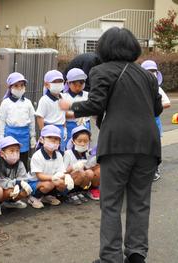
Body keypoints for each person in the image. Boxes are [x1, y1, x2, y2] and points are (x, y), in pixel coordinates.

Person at [59, 27, 163, 263]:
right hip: (148, 145)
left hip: (117, 145)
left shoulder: (100, 70)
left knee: (111, 203)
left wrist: (70, 108)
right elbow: (156, 109)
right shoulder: (147, 75)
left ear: (105, 47)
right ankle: (136, 255)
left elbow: (96, 103)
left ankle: (111, 258)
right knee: (140, 202)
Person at [27, 125, 74, 209]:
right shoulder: (37, 156)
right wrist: (54, 178)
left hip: (51, 180)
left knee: (62, 183)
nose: (53, 140)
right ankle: (33, 197)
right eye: (49, 137)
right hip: (35, 182)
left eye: (56, 139)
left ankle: (47, 196)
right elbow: (39, 176)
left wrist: (67, 177)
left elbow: (61, 171)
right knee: (49, 185)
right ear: (42, 139)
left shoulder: (59, 155)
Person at [0, 72, 36, 170]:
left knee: (23, 158)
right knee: (9, 158)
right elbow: (2, 121)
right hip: (10, 134)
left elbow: (32, 121)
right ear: (10, 87)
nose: (19, 88)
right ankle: (8, 178)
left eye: (22, 85)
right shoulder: (5, 103)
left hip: (24, 135)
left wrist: (33, 136)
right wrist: (1, 136)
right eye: (16, 85)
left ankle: (22, 180)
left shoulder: (28, 103)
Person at [141, 60, 171, 181]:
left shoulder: (157, 88)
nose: (151, 73)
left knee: (154, 146)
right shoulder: (139, 87)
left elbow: (167, 103)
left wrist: (154, 106)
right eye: (149, 71)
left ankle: (155, 168)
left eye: (153, 71)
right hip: (141, 123)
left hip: (154, 121)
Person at [0, 136, 33, 211]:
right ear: (2, 153)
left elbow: (23, 178)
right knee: (7, 190)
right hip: (1, 190)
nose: (15, 153)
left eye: (17, 151)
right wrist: (16, 183)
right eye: (11, 151)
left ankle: (11, 202)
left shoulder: (20, 164)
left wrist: (22, 185)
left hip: (13, 187)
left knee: (25, 191)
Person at [63, 126, 100, 203]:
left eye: (85, 141)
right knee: (83, 173)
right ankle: (70, 193)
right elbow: (63, 172)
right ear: (73, 141)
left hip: (83, 177)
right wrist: (74, 167)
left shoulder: (88, 153)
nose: (83, 144)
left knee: (93, 170)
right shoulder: (68, 153)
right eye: (79, 141)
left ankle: (81, 191)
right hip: (69, 180)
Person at [35, 70, 67, 152]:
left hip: (60, 129)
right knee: (49, 151)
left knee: (60, 152)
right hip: (49, 129)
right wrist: (43, 132)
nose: (58, 84)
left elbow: (63, 114)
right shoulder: (44, 100)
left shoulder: (63, 97)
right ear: (46, 84)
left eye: (60, 81)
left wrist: (64, 128)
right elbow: (40, 117)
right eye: (54, 82)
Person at [62, 68, 90, 145]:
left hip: (85, 125)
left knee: (84, 147)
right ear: (68, 83)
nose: (78, 88)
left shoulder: (88, 95)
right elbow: (62, 114)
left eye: (81, 84)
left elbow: (92, 110)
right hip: (70, 126)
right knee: (69, 147)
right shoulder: (63, 97)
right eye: (74, 84)